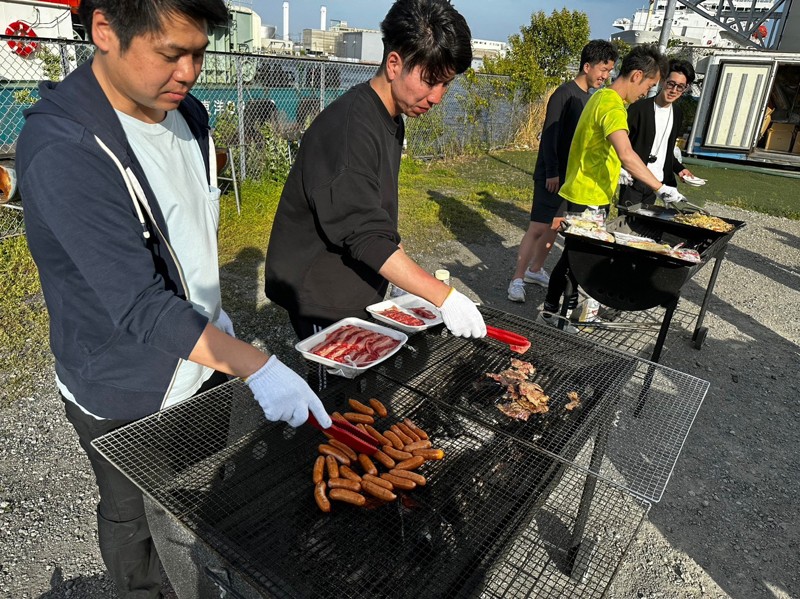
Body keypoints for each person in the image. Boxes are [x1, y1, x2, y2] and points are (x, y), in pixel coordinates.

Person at [15, 1, 332, 597]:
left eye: (200, 52)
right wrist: (258, 363)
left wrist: (224, 340)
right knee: (132, 514)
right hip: (124, 382)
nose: (188, 72)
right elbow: (137, 305)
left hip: (202, 351)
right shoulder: (66, 149)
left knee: (197, 496)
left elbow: (188, 234)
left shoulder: (189, 114)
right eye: (170, 54)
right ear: (104, 29)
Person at [264, 0, 486, 342]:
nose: (437, 97)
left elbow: (371, 212)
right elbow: (364, 233)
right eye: (430, 82)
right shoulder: (349, 128)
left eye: (446, 85)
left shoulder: (391, 116)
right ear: (394, 64)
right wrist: (443, 296)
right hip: (321, 294)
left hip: (353, 280)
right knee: (336, 390)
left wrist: (397, 281)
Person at [537, 44, 683, 333]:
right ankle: (560, 318)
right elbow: (627, 153)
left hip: (588, 192)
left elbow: (601, 148)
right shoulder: (613, 105)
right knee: (580, 260)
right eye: (650, 86)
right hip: (587, 196)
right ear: (637, 75)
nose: (647, 93)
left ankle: (551, 311)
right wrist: (661, 187)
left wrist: (615, 173)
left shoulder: (600, 97)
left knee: (571, 257)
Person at [507, 40, 618, 303]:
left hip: (571, 178)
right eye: (603, 69)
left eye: (610, 71)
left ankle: (535, 270)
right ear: (587, 66)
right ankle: (517, 279)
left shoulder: (589, 98)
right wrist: (552, 172)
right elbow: (549, 135)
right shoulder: (564, 94)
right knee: (537, 227)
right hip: (552, 174)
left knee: (555, 227)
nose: (606, 76)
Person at [618, 59, 697, 207]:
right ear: (663, 81)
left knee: (647, 226)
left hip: (658, 183)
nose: (674, 90)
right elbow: (621, 145)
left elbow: (666, 151)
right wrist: (620, 167)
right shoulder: (639, 108)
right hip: (633, 180)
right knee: (626, 223)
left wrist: (680, 169)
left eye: (680, 87)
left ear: (685, 89)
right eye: (671, 84)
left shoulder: (677, 114)